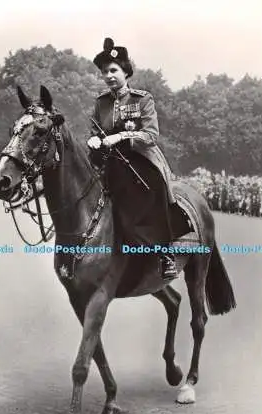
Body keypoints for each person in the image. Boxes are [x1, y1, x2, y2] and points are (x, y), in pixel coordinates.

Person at [87, 38, 188, 280]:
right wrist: (93, 140)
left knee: (155, 189)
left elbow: (151, 135)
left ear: (125, 72)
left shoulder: (142, 99)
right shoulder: (101, 102)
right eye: (104, 72)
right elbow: (95, 131)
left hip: (141, 158)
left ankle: (165, 255)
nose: (109, 76)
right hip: (110, 161)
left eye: (113, 70)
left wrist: (122, 135)